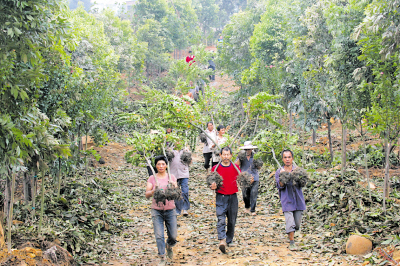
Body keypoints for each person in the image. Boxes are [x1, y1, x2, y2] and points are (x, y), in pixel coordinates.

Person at [145, 156, 178, 265]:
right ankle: (162, 257)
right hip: (157, 210)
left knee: (173, 236)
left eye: (163, 164)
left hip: (170, 210)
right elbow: (147, 194)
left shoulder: (171, 177)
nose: (161, 166)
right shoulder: (152, 178)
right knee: (159, 235)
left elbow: (177, 192)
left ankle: (169, 245)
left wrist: (173, 186)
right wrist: (154, 191)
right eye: (159, 164)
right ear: (155, 166)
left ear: (166, 165)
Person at [209, 147, 241, 254]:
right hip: (221, 197)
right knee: (221, 219)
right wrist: (212, 186)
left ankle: (229, 240)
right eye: (224, 154)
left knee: (232, 220)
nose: (226, 157)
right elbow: (211, 182)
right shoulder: (215, 168)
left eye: (228, 154)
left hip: (233, 197)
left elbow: (242, 180)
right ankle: (222, 240)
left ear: (231, 155)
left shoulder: (236, 167)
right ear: (220, 155)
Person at [275, 149, 306, 251]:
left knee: (297, 224)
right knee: (290, 222)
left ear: (292, 158)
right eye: (285, 157)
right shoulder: (279, 172)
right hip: (286, 200)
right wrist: (283, 177)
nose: (287, 159)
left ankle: (292, 231)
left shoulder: (298, 170)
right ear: (282, 159)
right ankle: (292, 242)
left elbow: (303, 183)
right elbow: (280, 186)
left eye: (289, 157)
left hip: (298, 200)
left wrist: (300, 178)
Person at [235, 141, 260, 216]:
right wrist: (240, 158)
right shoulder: (241, 156)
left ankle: (253, 210)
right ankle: (247, 206)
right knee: (245, 194)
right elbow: (236, 165)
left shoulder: (256, 156)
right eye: (246, 149)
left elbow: (259, 167)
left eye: (249, 149)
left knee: (253, 193)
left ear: (252, 149)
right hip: (244, 178)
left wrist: (257, 162)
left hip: (254, 177)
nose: (248, 151)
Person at [170, 148, 190, 216]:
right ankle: (178, 209)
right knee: (176, 192)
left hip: (184, 174)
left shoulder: (185, 150)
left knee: (185, 191)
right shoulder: (170, 150)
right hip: (173, 174)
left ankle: (185, 208)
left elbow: (190, 162)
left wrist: (188, 154)